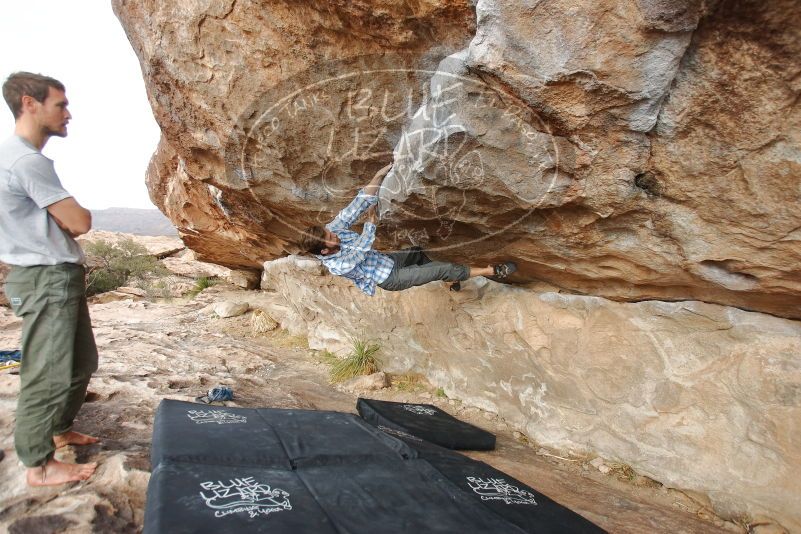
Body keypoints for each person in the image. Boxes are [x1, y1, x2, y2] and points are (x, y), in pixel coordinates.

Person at [1, 72, 99, 486]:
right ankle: (38, 464)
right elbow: (80, 221)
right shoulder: (25, 160)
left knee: (80, 363)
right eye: (60, 104)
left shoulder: (15, 157)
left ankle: (59, 429)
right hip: (45, 277)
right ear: (29, 103)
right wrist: (68, 223)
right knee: (48, 371)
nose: (68, 114)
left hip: (51, 274)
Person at [299, 163, 517, 295]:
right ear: (325, 251)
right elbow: (361, 249)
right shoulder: (337, 266)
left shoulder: (332, 229)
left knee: (419, 253)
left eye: (329, 231)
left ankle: (451, 281)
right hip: (389, 278)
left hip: (388, 261)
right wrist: (371, 223)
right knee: (443, 268)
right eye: (329, 237)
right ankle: (492, 271)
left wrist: (378, 176)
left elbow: (353, 209)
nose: (333, 232)